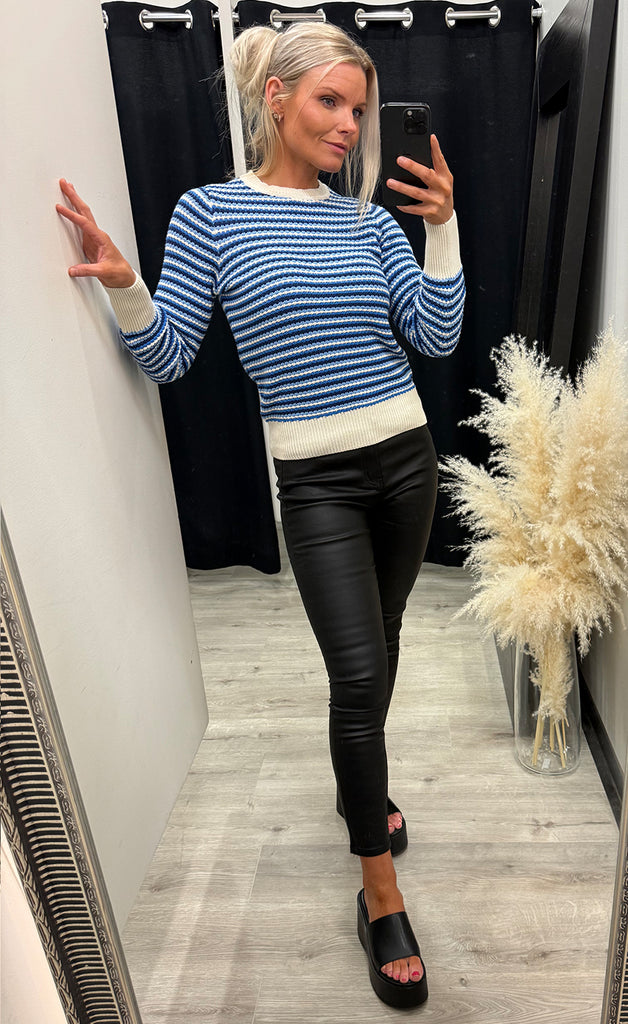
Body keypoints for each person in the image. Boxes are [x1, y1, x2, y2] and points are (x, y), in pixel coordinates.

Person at [56, 21, 464, 1009]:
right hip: (316, 484)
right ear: (275, 98)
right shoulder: (210, 215)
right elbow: (169, 355)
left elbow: (438, 336)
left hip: (405, 460)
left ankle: (361, 787)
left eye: (360, 109)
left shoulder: (368, 222)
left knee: (385, 641)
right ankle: (378, 891)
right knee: (356, 672)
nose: (349, 125)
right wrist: (125, 286)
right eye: (331, 101)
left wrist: (443, 228)